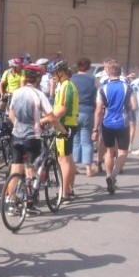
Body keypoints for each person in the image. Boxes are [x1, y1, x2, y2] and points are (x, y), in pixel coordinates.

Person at [6, 64, 66, 216]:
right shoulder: (39, 95)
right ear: (38, 78)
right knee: (30, 169)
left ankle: (12, 203)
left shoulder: (17, 93)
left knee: (15, 169)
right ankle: (29, 204)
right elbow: (51, 117)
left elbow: (11, 114)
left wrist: (17, 125)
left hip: (16, 135)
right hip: (32, 137)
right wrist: (63, 131)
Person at [92, 61, 137, 195]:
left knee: (109, 151)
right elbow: (134, 106)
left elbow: (99, 110)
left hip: (107, 123)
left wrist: (95, 129)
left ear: (108, 73)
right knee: (122, 153)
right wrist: (127, 109)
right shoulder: (128, 87)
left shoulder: (103, 88)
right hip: (122, 123)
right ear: (120, 72)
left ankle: (108, 175)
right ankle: (114, 176)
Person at [50, 60, 79, 203]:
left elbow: (63, 108)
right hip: (67, 124)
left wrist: (47, 118)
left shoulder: (67, 86)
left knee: (63, 160)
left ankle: (64, 193)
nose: (51, 76)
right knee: (68, 158)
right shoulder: (63, 85)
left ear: (61, 72)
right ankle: (69, 189)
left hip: (65, 125)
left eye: (53, 73)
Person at [71, 57, 97, 177]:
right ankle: (88, 169)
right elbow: (97, 93)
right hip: (88, 111)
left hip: (74, 111)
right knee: (87, 141)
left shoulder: (72, 79)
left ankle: (75, 166)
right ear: (89, 67)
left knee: (75, 139)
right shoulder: (92, 79)